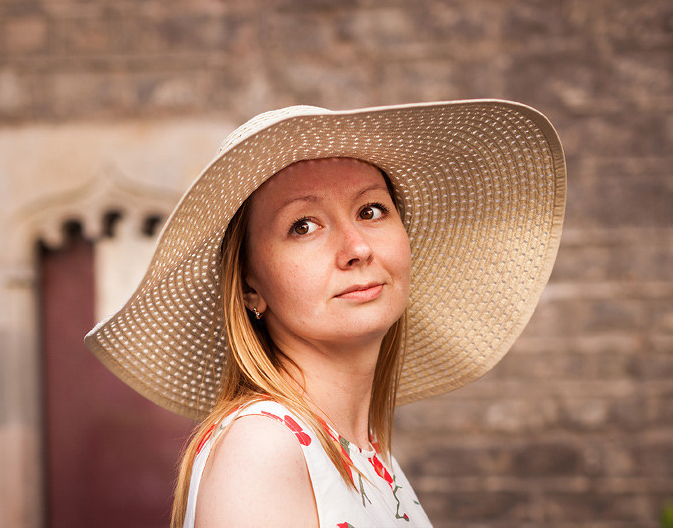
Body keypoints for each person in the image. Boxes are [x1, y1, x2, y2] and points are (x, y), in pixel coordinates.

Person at [85, 101, 567, 527]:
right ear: (252, 285)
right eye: (303, 225)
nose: (356, 247)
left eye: (372, 211)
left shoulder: (366, 454)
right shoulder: (264, 450)